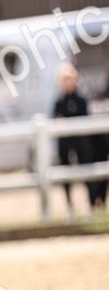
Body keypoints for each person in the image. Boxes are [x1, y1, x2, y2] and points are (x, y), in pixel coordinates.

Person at [51, 62, 99, 215]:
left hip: (81, 142)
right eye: (64, 80)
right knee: (65, 172)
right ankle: (69, 206)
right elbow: (54, 119)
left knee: (87, 171)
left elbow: (86, 119)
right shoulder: (58, 102)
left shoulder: (81, 100)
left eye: (69, 79)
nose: (68, 83)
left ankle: (91, 205)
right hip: (65, 142)